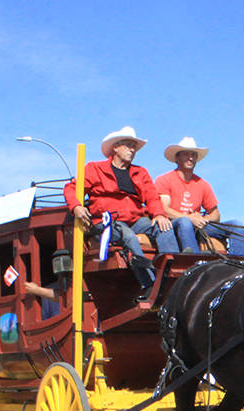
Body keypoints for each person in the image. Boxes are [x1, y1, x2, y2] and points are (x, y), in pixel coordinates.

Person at [62, 126, 175, 298]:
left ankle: (173, 277)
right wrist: (76, 206)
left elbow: (152, 198)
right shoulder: (94, 169)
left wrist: (159, 214)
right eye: (128, 145)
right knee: (128, 235)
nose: (132, 150)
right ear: (115, 147)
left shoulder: (140, 172)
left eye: (134, 147)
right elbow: (71, 188)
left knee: (165, 226)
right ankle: (149, 284)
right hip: (108, 222)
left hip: (136, 220)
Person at [155, 137, 229, 254]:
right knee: (185, 222)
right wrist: (190, 218)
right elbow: (164, 209)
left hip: (198, 226)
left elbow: (216, 214)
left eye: (193, 155)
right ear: (177, 158)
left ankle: (241, 264)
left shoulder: (203, 184)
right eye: (186, 154)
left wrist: (203, 219)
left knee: (236, 225)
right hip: (175, 225)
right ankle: (194, 260)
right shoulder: (164, 180)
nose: (191, 158)